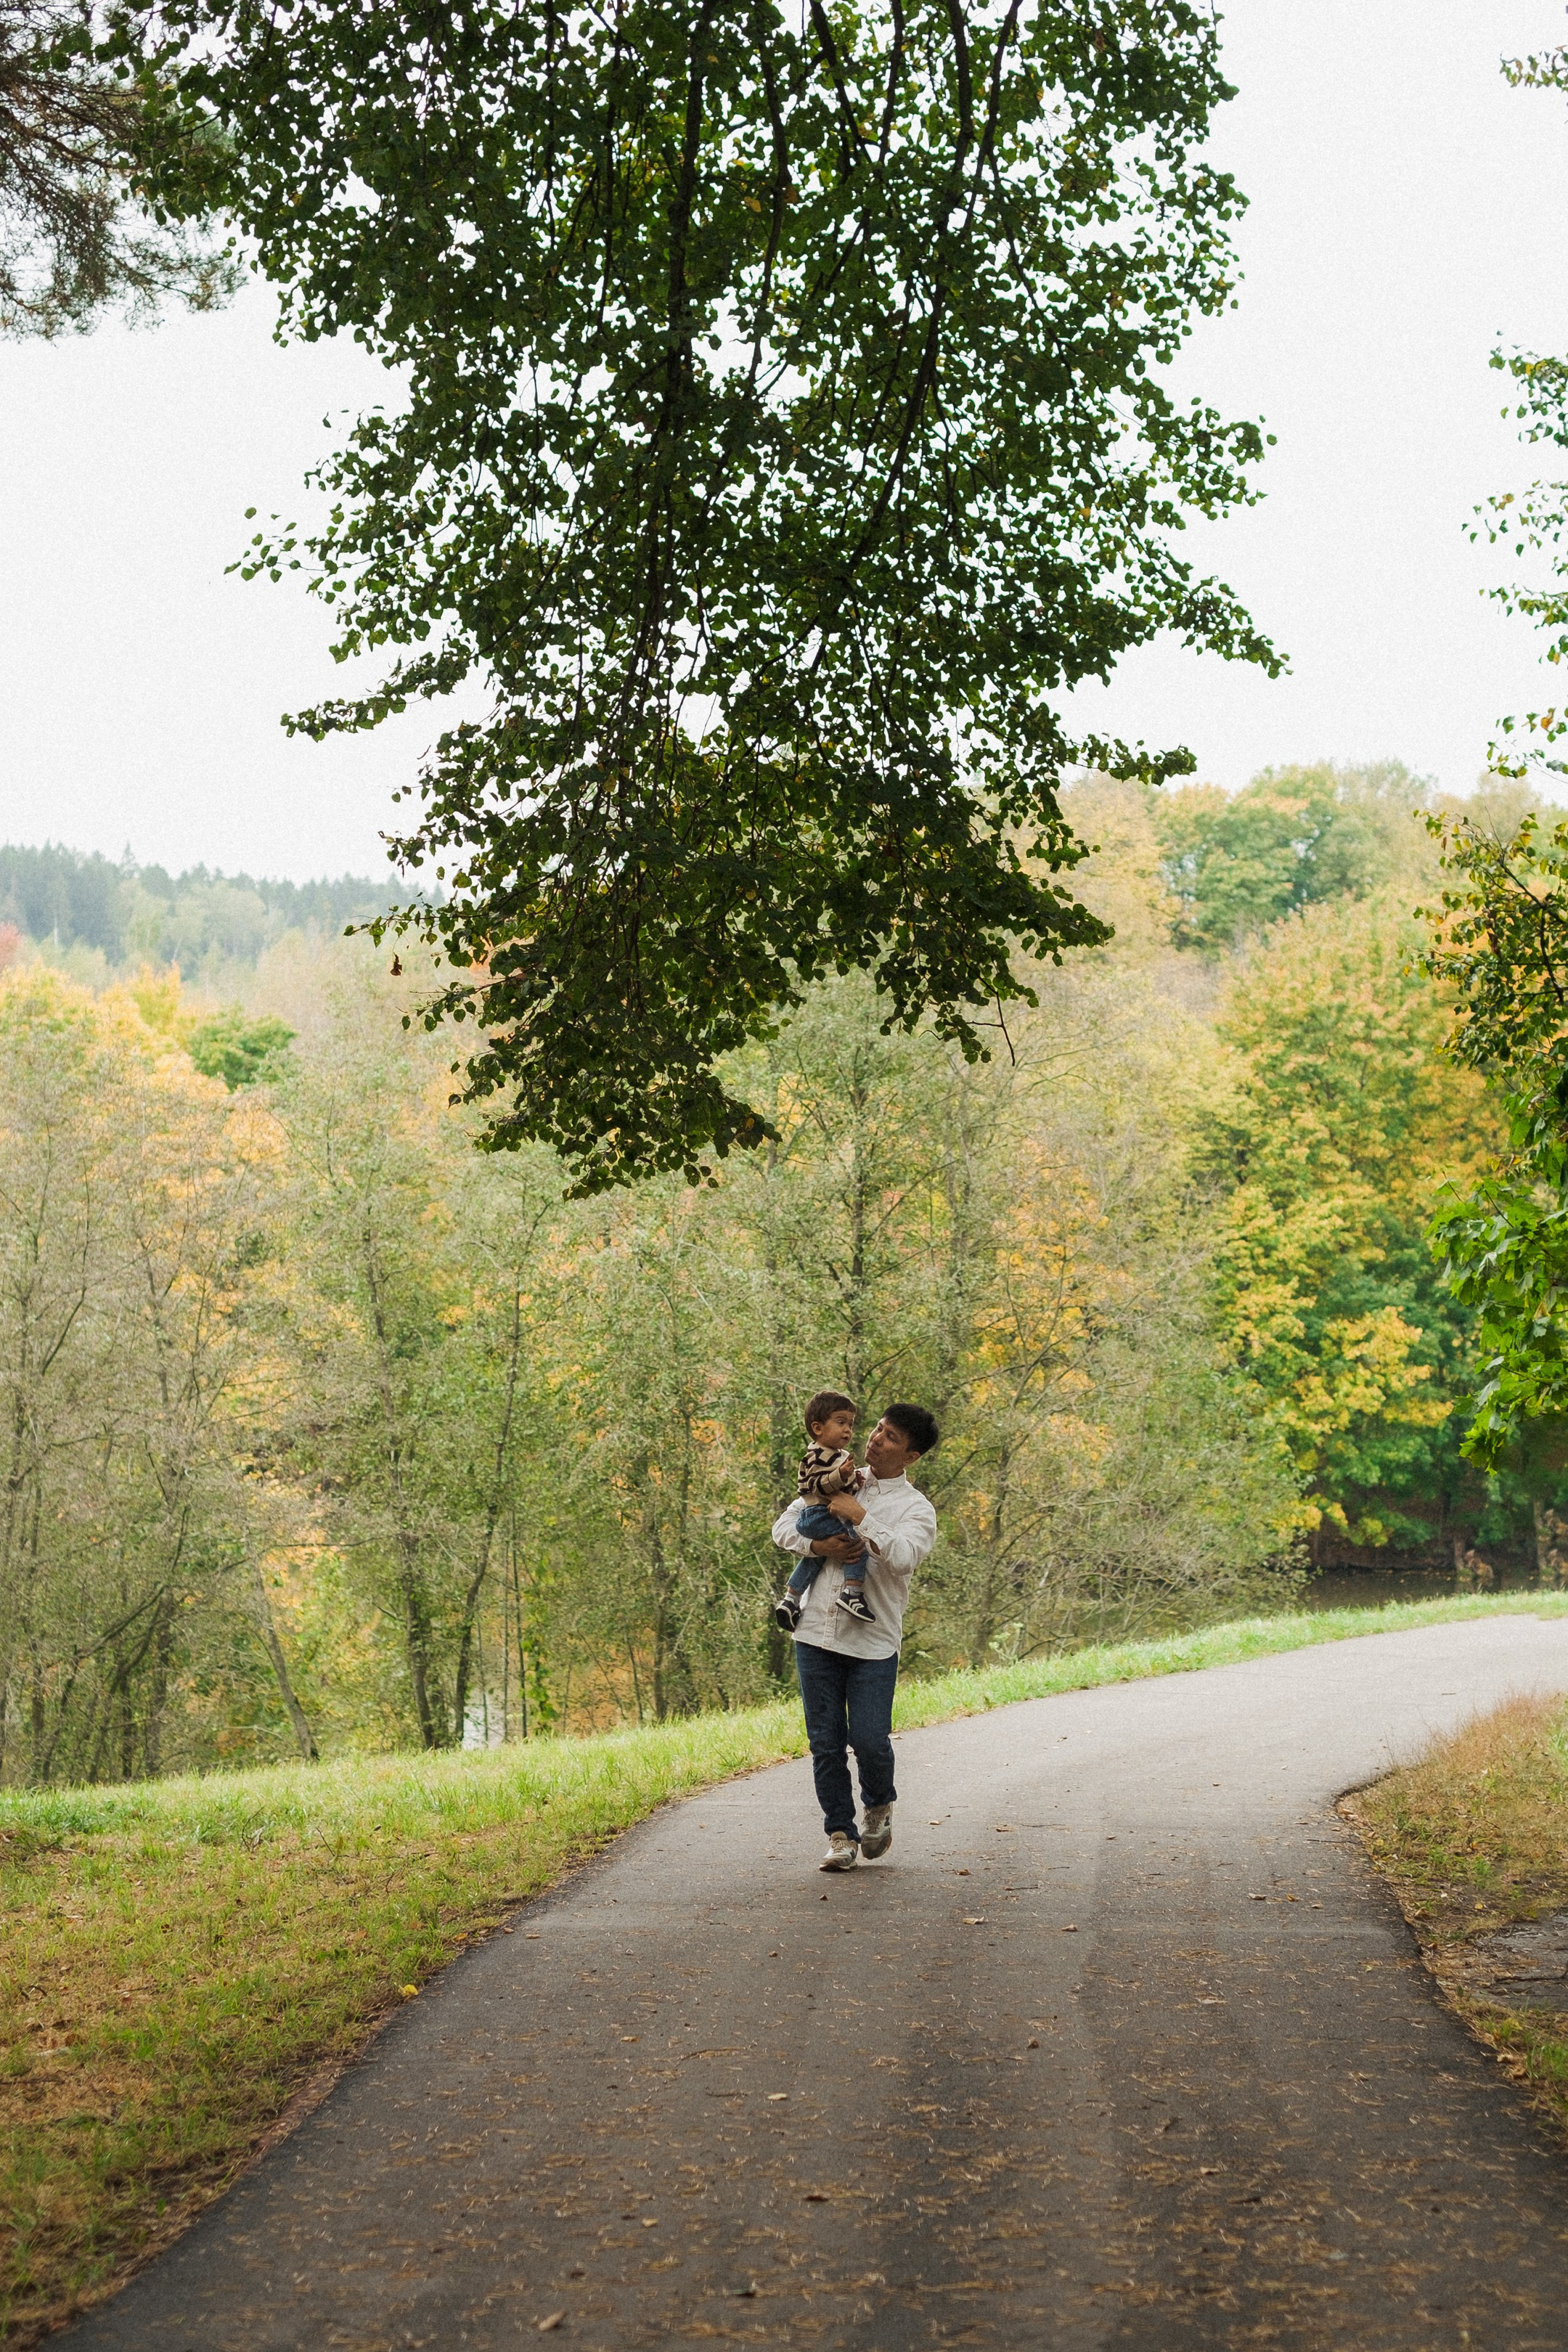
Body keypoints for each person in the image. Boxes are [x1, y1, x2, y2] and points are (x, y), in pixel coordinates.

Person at [770, 1402, 939, 1871]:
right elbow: (784, 1526)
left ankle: (879, 1805)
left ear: (911, 1456)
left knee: (868, 1740)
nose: (875, 1439)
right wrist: (816, 1545)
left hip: (872, 1640)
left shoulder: (916, 1508)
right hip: (815, 1634)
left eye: (890, 1438)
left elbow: (904, 1556)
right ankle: (840, 1835)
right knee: (825, 1742)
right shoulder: (838, 1473)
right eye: (878, 1429)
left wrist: (860, 1516)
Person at [773, 1389, 875, 1630]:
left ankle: (791, 1599)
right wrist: (841, 1475)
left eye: (850, 1424)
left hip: (821, 1514)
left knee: (817, 1557)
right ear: (818, 1428)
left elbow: (839, 1488)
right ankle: (852, 1592)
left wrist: (852, 1481)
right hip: (817, 1514)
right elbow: (817, 1485)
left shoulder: (837, 1456)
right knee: (856, 1544)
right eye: (840, 1423)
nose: (847, 1430)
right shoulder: (817, 1456)